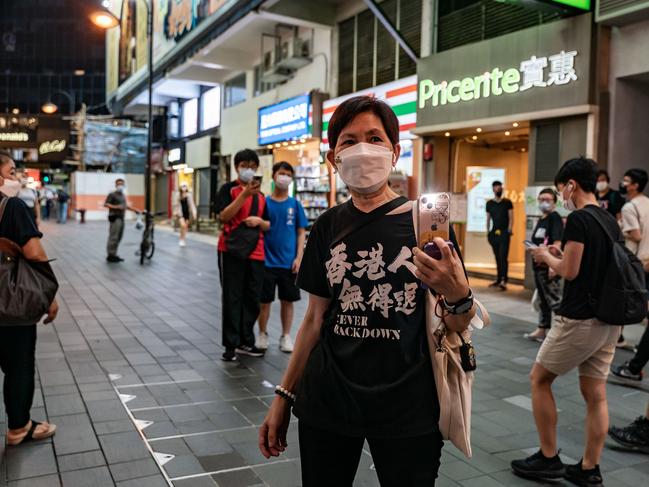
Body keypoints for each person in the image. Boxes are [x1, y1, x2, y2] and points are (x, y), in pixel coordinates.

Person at [258, 96, 477, 486]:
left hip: (409, 403)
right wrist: (283, 396)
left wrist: (460, 293)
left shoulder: (429, 222)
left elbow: (456, 321)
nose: (363, 149)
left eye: (375, 138)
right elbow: (314, 319)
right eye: (349, 141)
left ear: (394, 152)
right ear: (333, 159)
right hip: (328, 400)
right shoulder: (327, 226)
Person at [511, 157, 622, 487]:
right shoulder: (607, 220)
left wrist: (546, 257)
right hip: (608, 320)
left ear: (571, 184)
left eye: (560, 189)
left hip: (579, 318)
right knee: (595, 392)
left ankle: (548, 458)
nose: (559, 195)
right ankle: (590, 468)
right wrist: (558, 258)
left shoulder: (577, 219)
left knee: (539, 379)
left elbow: (569, 271)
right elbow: (587, 266)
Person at [0, 152, 59, 446]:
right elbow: (34, 253)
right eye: (11, 172)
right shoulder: (11, 206)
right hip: (9, 304)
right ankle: (19, 428)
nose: (16, 178)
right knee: (18, 364)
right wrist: (49, 294)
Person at [216, 149, 270, 361]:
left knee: (252, 298)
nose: (248, 169)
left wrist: (260, 222)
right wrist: (244, 195)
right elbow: (223, 216)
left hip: (256, 252)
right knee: (232, 296)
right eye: (244, 165)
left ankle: (246, 340)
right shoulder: (228, 189)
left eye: (252, 166)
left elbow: (267, 224)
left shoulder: (263, 196)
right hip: (231, 250)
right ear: (236, 167)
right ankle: (231, 344)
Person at [256, 162, 308, 354]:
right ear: (274, 176)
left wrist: (299, 257)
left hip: (289, 263)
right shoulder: (265, 203)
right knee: (264, 301)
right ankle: (262, 334)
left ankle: (286, 336)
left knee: (288, 301)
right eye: (281, 173)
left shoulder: (295, 204)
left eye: (288, 174)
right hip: (266, 261)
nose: (284, 177)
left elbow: (301, 232)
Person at [610, 168, 649, 379]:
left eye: (626, 181)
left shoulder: (629, 207)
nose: (622, 183)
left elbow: (636, 234)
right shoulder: (647, 203)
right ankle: (635, 364)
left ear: (634, 185)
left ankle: (632, 364)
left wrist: (620, 226)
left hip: (640, 264)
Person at [524, 188, 564, 342]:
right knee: (543, 299)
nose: (543, 203)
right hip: (538, 266)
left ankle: (562, 333)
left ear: (554, 202)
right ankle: (542, 329)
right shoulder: (542, 219)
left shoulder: (555, 218)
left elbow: (557, 243)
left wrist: (553, 266)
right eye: (541, 199)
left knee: (554, 300)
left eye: (547, 199)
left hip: (548, 266)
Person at [486, 180, 513, 290]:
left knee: (503, 256)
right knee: (497, 257)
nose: (498, 189)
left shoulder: (507, 202)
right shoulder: (489, 203)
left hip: (504, 232)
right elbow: (488, 218)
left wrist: (510, 229)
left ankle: (504, 280)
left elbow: (511, 217)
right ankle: (498, 279)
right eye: (496, 187)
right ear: (493, 189)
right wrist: (487, 231)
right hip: (494, 233)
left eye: (500, 187)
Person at [104, 178, 139, 263]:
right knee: (114, 237)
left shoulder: (122, 195)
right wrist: (116, 207)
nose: (120, 185)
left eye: (122, 184)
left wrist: (134, 209)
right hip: (115, 218)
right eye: (119, 184)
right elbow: (106, 204)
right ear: (116, 185)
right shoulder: (112, 194)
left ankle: (114, 254)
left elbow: (125, 206)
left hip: (121, 218)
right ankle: (110, 255)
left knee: (119, 237)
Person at [176, 183, 197, 247]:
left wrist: (194, 213)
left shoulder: (189, 195)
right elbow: (175, 205)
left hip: (187, 213)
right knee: (183, 225)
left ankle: (183, 239)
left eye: (185, 186)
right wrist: (175, 212)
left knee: (185, 227)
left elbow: (192, 205)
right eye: (183, 186)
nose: (184, 188)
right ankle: (181, 239)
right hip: (180, 213)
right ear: (180, 188)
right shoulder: (178, 195)